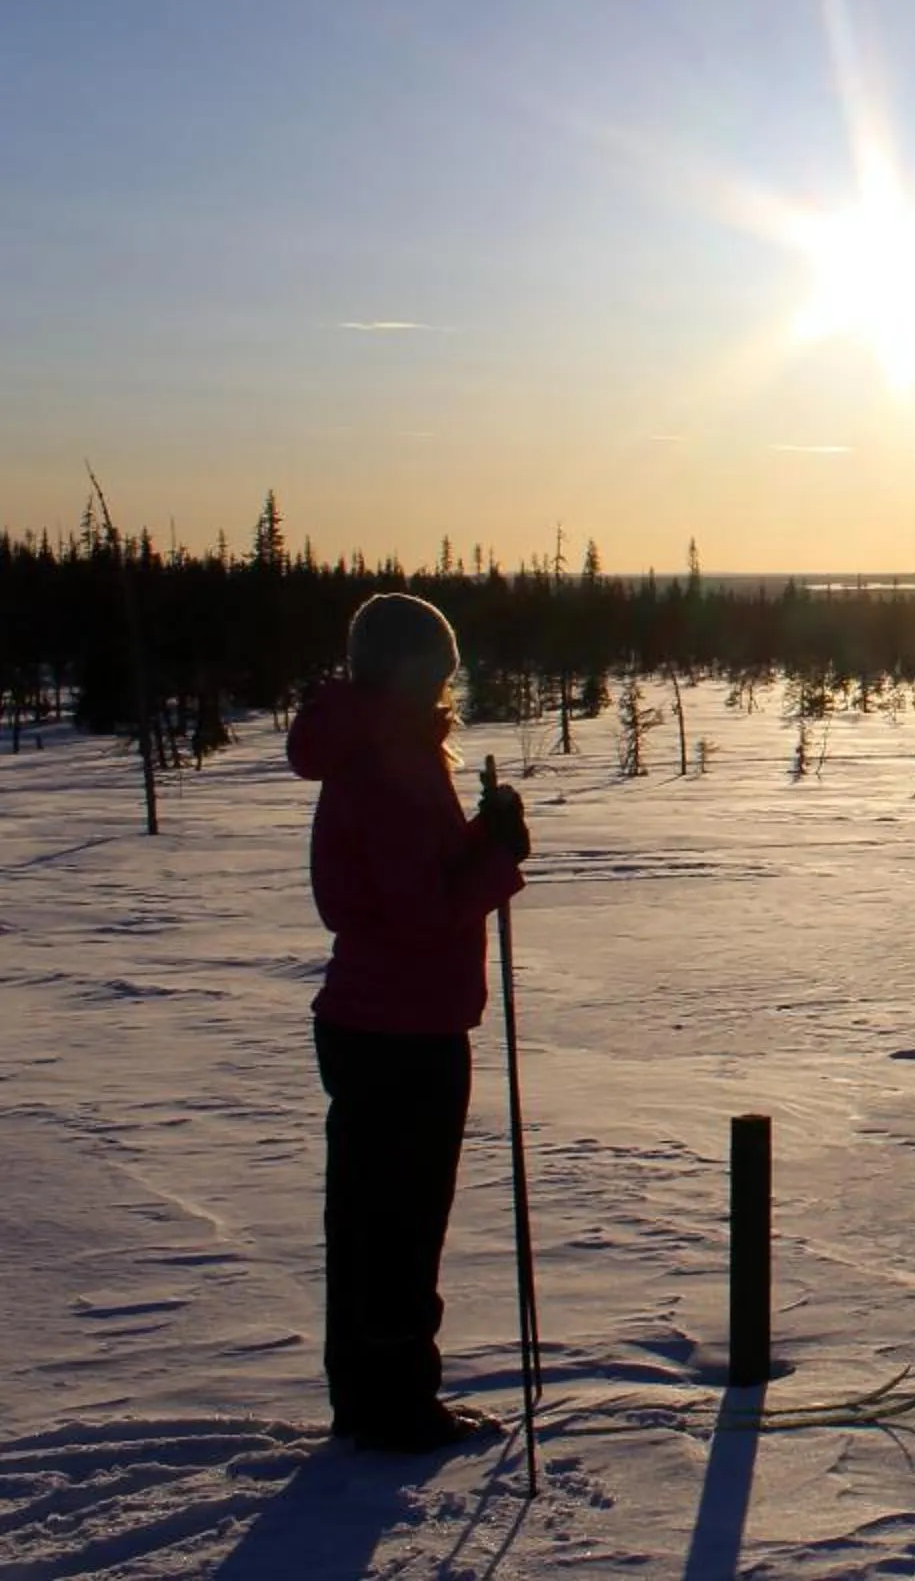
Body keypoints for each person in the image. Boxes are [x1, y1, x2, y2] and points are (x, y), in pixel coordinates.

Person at [285, 592, 531, 1452]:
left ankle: (373, 1396)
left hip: (384, 1018)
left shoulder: (384, 750)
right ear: (406, 668)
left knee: (371, 1219)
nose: (443, 684)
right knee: (397, 1223)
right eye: (435, 666)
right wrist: (494, 861)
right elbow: (421, 912)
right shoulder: (385, 759)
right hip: (401, 1026)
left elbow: (414, 878)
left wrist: (480, 836)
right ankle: (394, 1405)